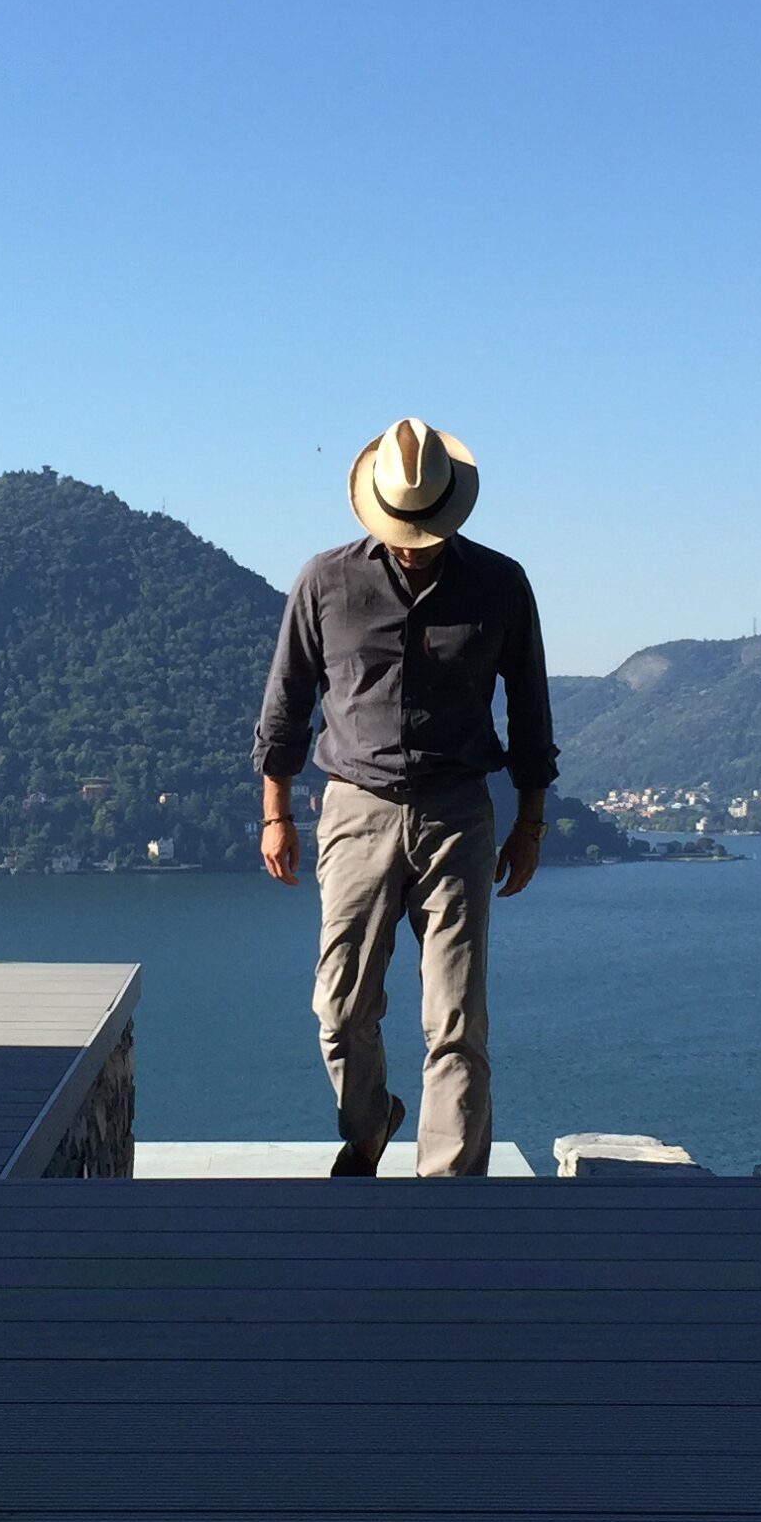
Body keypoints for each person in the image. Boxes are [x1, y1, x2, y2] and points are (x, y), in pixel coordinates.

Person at [252, 417, 557, 1178]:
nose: (414, 543)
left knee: (456, 1016)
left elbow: (531, 711)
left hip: (458, 813)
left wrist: (530, 826)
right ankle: (370, 1123)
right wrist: (275, 812)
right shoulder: (325, 581)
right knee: (340, 1004)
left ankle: (449, 1191)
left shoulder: (500, 584)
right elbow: (286, 705)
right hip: (355, 808)